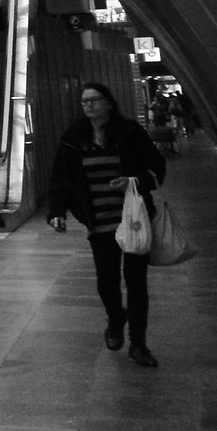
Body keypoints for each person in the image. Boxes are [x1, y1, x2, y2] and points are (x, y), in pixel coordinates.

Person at [47, 81, 167, 366]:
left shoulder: (129, 133)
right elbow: (61, 177)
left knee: (136, 283)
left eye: (95, 100)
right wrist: (57, 211)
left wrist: (133, 180)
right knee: (106, 282)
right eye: (85, 101)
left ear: (109, 103)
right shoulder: (74, 137)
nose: (89, 105)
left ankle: (138, 343)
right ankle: (116, 317)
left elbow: (156, 168)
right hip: (98, 222)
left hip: (133, 220)